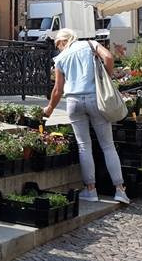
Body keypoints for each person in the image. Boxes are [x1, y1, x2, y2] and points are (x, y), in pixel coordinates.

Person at [43, 29, 130, 204]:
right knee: (107, 145)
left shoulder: (62, 57)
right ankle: (120, 190)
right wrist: (105, 77)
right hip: (94, 98)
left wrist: (50, 109)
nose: (58, 48)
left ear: (63, 41)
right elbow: (109, 58)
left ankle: (91, 190)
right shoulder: (90, 44)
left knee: (84, 146)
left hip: (73, 102)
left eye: (57, 44)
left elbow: (58, 89)